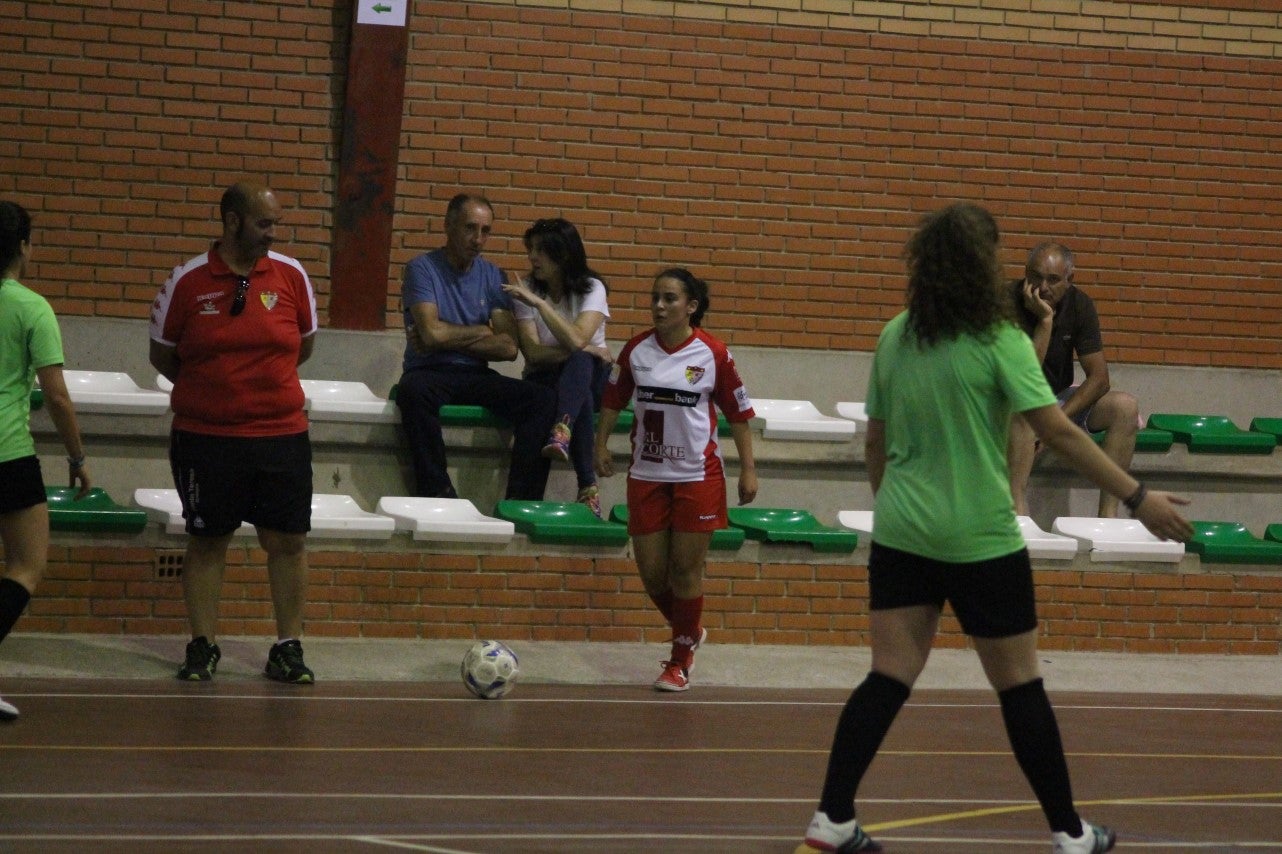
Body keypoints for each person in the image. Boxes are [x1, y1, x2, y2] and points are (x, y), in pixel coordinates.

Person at [794, 204, 1192, 854]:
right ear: (982, 265)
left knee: (887, 677)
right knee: (1020, 687)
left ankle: (831, 818)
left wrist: (897, 509)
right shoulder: (998, 338)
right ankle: (1069, 833)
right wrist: (1138, 494)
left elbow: (876, 444)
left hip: (902, 533)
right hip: (979, 538)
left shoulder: (897, 334)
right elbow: (1057, 429)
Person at [149, 181, 319, 685]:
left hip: (281, 435)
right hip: (206, 438)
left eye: (275, 223)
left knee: (287, 541)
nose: (273, 232)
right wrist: (211, 390)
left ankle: (287, 647)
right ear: (231, 222)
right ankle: (203, 646)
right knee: (207, 540)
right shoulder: (187, 280)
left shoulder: (291, 277)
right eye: (264, 223)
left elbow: (302, 346)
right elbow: (162, 353)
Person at [594, 268, 758, 692]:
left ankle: (679, 660)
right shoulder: (635, 351)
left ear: (691, 306)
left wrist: (749, 469)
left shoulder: (713, 354)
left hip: (696, 476)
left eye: (669, 298)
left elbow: (738, 414)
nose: (659, 306)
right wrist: (599, 446)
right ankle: (690, 629)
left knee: (685, 572)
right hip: (646, 475)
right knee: (652, 576)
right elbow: (612, 400)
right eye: (655, 298)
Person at [396, 193, 556, 500]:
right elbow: (430, 335)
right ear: (448, 226)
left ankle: (522, 500)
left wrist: (446, 337)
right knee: (412, 392)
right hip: (429, 372)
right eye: (470, 228)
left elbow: (508, 347)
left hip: (475, 375)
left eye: (485, 231)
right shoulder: (422, 268)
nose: (478, 239)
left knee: (543, 400)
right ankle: (438, 492)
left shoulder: (493, 275)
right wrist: (482, 331)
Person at [0, 201, 91, 720]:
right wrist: (77, 457)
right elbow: (56, 396)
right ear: (23, 249)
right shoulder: (32, 308)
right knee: (27, 566)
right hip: (8, 453)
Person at [1008, 242, 1139, 517]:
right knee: (1023, 411)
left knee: (1124, 408)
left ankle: (1108, 517)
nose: (1042, 287)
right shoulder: (1006, 301)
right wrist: (1045, 322)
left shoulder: (1080, 305)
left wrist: (1057, 421)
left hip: (1055, 400)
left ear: (1070, 280)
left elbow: (1100, 379)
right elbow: (1022, 378)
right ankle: (1016, 512)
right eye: (1035, 276)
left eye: (1053, 280)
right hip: (1012, 400)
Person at [503, 218, 612, 517]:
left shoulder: (592, 288)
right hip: (546, 377)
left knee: (580, 363)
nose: (532, 257)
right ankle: (587, 486)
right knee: (579, 370)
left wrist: (541, 305)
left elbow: (576, 340)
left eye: (540, 250)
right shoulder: (525, 290)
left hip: (593, 378)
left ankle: (563, 429)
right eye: (531, 249)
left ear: (563, 254)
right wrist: (586, 348)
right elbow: (534, 354)